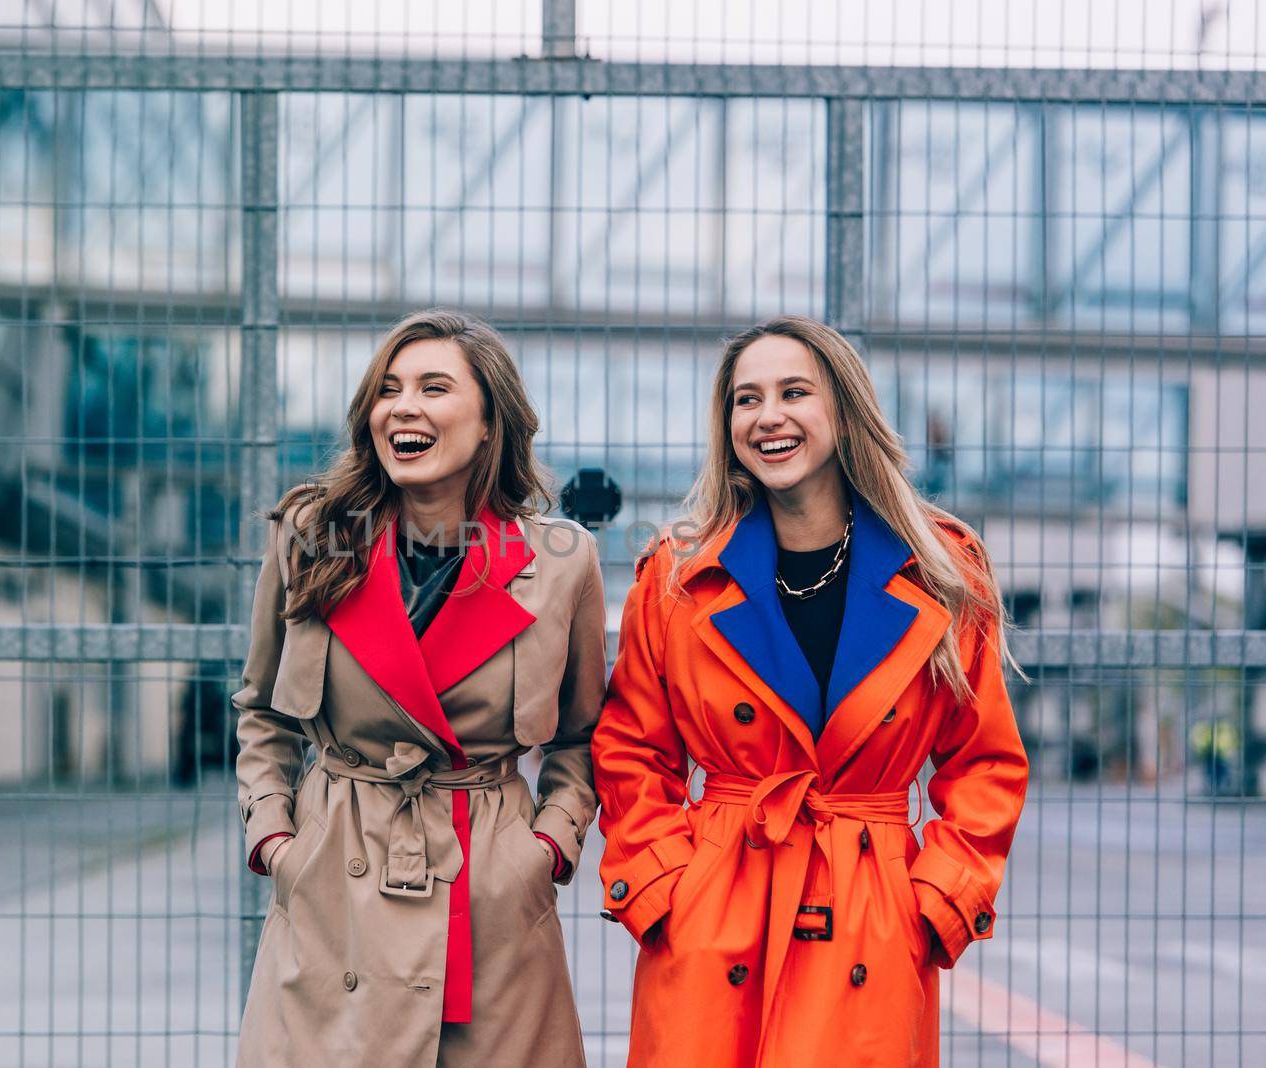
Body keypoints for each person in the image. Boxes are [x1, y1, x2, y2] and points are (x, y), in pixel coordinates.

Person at [593, 316, 1029, 1066]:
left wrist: (932, 905)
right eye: (746, 399)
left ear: (843, 408)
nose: (768, 417)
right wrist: (665, 886)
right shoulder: (676, 578)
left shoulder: (942, 574)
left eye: (794, 392)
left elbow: (985, 764)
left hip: (872, 915)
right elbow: (631, 747)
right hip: (717, 908)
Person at [234, 308, 605, 1066]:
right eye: (388, 390)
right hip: (336, 879)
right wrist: (276, 838)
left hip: (491, 895)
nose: (402, 407)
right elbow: (262, 711)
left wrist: (547, 850)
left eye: (434, 388)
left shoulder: (562, 563)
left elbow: (583, 734)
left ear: (489, 422)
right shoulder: (310, 536)